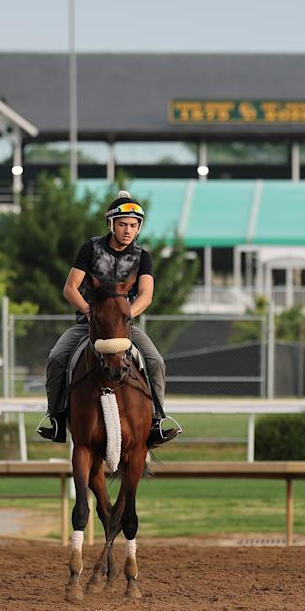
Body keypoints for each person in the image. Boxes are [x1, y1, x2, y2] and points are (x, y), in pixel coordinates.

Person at [36, 191, 180, 447]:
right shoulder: (90, 248)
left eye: (134, 226)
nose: (128, 230)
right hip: (88, 325)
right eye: (123, 224)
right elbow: (70, 288)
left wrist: (123, 317)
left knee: (156, 361)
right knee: (57, 358)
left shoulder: (142, 256)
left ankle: (157, 420)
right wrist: (92, 314)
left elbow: (146, 296)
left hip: (125, 327)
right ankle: (55, 418)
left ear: (139, 228)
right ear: (111, 224)